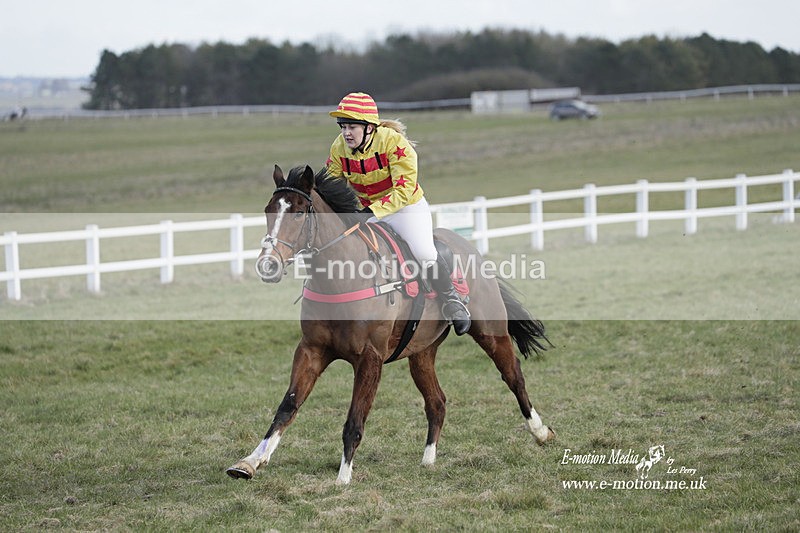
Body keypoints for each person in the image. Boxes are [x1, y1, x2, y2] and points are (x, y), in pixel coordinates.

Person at [326, 92, 471, 335]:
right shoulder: (338, 148)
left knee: (424, 252)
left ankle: (452, 300)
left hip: (406, 208)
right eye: (343, 127)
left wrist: (370, 211)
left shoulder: (394, 143)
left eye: (352, 126)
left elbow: (404, 190)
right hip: (368, 211)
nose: (346, 133)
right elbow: (331, 184)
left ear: (370, 127)